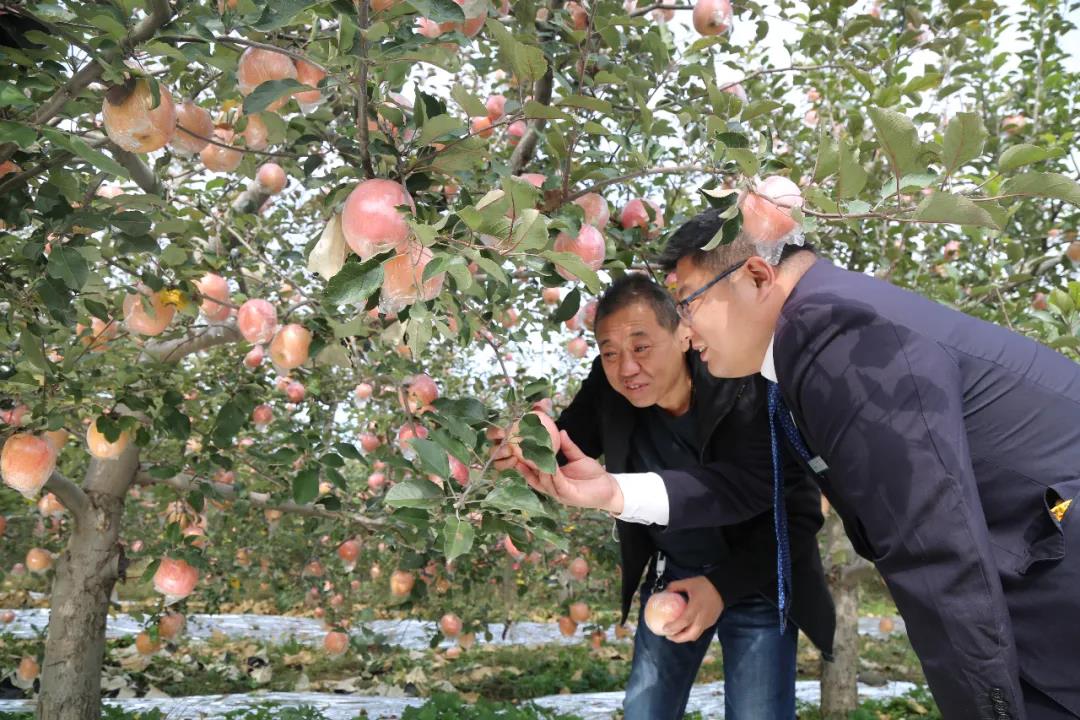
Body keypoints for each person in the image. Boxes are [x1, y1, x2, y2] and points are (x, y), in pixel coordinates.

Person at [526, 204, 1080, 720]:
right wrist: (612, 493)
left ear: (756, 277)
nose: (687, 331)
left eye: (690, 303)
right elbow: (749, 483)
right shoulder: (814, 338)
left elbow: (936, 550)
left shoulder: (838, 337)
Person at [495, 273, 834, 720]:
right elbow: (563, 446)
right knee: (646, 710)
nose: (626, 368)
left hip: (756, 579)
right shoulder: (609, 388)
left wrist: (722, 587)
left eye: (641, 347)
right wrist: (528, 442)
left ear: (684, 334)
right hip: (672, 573)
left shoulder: (745, 384)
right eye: (610, 352)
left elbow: (799, 511)